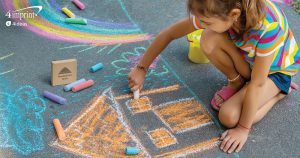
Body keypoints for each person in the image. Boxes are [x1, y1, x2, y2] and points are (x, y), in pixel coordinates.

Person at [128, 0, 300, 153]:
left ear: (234, 14)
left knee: (229, 116)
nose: (201, 23)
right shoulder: (213, 7)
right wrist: (141, 68)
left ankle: (279, 92)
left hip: (274, 73)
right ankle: (237, 83)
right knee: (209, 37)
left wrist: (242, 129)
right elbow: (170, 33)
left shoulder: (268, 27)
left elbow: (257, 84)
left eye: (206, 21)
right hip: (251, 63)